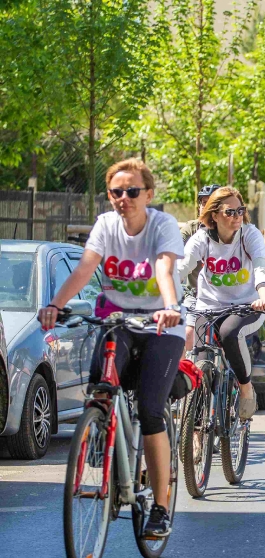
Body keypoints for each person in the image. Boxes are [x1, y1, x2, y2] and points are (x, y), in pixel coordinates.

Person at [37, 159, 184, 538]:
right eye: (116, 192)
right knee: (100, 387)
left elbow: (163, 269)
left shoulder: (162, 225)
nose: (124, 198)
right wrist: (54, 305)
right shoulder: (105, 224)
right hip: (117, 320)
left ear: (148, 194)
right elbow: (85, 269)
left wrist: (170, 307)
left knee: (150, 410)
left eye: (132, 191)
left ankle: (161, 508)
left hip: (161, 325)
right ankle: (103, 434)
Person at [177, 187, 265, 420]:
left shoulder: (249, 234)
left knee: (229, 333)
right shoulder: (202, 238)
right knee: (200, 361)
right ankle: (197, 427)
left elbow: (261, 265)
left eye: (240, 210)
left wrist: (264, 294)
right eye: (230, 212)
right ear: (214, 215)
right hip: (208, 307)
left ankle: (246, 389)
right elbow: (182, 266)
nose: (237, 216)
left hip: (247, 306)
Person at [181, 184, 221, 355]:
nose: (205, 207)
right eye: (203, 203)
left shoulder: (230, 230)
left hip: (226, 298)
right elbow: (176, 253)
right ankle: (185, 370)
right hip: (195, 295)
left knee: (230, 339)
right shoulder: (191, 229)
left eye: (210, 203)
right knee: (187, 335)